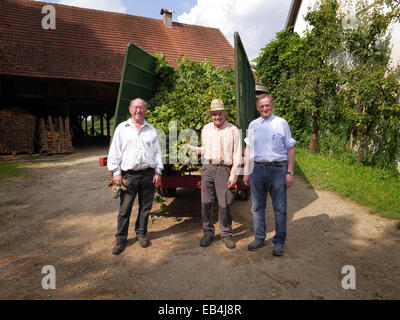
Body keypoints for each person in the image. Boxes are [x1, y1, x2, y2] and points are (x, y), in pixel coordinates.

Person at [107, 98, 163, 255]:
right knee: (125, 209)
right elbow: (115, 152)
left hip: (148, 174)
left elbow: (157, 152)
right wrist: (116, 173)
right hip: (129, 176)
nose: (139, 110)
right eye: (136, 107)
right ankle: (120, 239)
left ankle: (141, 233)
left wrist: (158, 171)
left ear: (145, 110)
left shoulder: (151, 129)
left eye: (142, 108)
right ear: (130, 109)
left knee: (145, 207)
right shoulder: (122, 128)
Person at [184, 99, 242, 249]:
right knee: (206, 202)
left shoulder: (233, 130)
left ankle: (226, 234)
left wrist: (233, 175)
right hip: (207, 168)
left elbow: (237, 155)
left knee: (224, 203)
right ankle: (208, 232)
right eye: (214, 114)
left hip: (224, 169)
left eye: (220, 114)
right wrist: (191, 148)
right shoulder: (206, 129)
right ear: (211, 115)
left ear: (225, 113)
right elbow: (205, 149)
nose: (217, 117)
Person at [243, 94, 295, 256]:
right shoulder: (253, 125)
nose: (265, 108)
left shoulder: (281, 123)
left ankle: (279, 242)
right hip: (257, 170)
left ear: (272, 105)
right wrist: (246, 172)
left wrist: (290, 172)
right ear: (258, 108)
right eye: (261, 106)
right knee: (257, 207)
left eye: (267, 105)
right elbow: (248, 150)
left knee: (280, 208)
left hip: (277, 170)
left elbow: (290, 149)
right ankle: (259, 238)